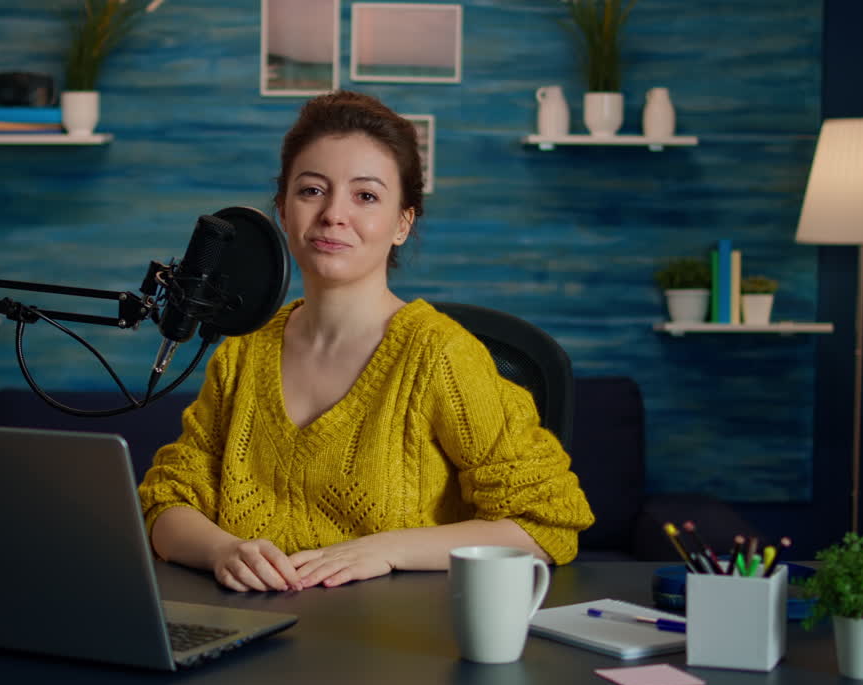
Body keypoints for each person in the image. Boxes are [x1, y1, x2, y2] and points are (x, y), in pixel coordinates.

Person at [138, 90, 593, 592]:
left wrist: (388, 548)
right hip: (254, 627)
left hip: (395, 633)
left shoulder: (439, 356)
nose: (334, 214)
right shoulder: (242, 353)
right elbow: (166, 503)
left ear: (402, 223)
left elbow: (544, 524)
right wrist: (222, 550)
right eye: (312, 190)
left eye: (366, 196)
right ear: (283, 212)